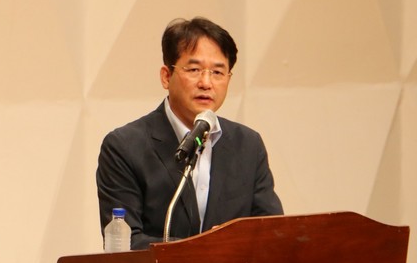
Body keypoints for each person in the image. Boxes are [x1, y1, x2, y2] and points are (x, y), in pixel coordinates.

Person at [96, 17, 283, 249]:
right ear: (166, 76)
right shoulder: (125, 147)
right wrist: (207, 249)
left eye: (218, 72)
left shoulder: (248, 145)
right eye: (194, 70)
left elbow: (272, 233)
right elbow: (126, 243)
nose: (206, 82)